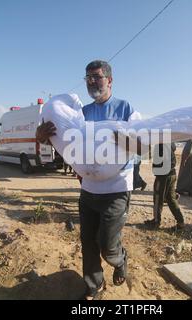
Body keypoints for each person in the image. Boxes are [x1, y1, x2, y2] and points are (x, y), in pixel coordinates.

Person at [36, 60, 141, 300]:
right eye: (88, 78)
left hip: (116, 189)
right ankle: (94, 286)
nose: (91, 81)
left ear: (110, 80)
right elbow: (64, 141)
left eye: (96, 76)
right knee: (88, 243)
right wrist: (42, 137)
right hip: (88, 189)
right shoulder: (82, 113)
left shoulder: (126, 109)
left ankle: (120, 260)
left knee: (107, 246)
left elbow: (139, 143)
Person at [145, 143, 185, 230]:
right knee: (171, 199)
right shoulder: (169, 141)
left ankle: (156, 221)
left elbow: (159, 162)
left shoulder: (160, 144)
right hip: (171, 174)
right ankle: (180, 222)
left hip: (163, 176)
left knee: (158, 198)